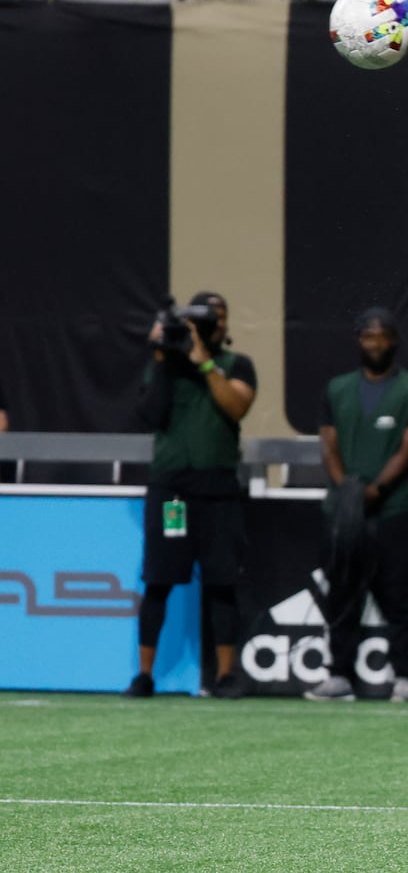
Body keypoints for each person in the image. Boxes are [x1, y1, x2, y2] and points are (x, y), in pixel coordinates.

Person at [124, 292, 257, 699]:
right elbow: (151, 415)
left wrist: (205, 364)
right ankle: (145, 676)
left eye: (218, 319)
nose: (214, 325)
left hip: (218, 489)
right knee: (158, 581)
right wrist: (163, 355)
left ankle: (226, 675)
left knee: (221, 583)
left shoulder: (236, 365)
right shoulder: (166, 364)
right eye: (205, 319)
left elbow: (236, 407)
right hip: (172, 490)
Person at [304, 308, 408, 703]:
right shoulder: (337, 389)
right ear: (359, 341)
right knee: (342, 592)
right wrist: (347, 490)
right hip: (345, 512)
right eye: (368, 337)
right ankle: (339, 674)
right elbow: (328, 442)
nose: (375, 344)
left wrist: (376, 489)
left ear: (394, 341)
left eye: (383, 337)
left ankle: (405, 676)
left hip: (395, 510)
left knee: (397, 595)